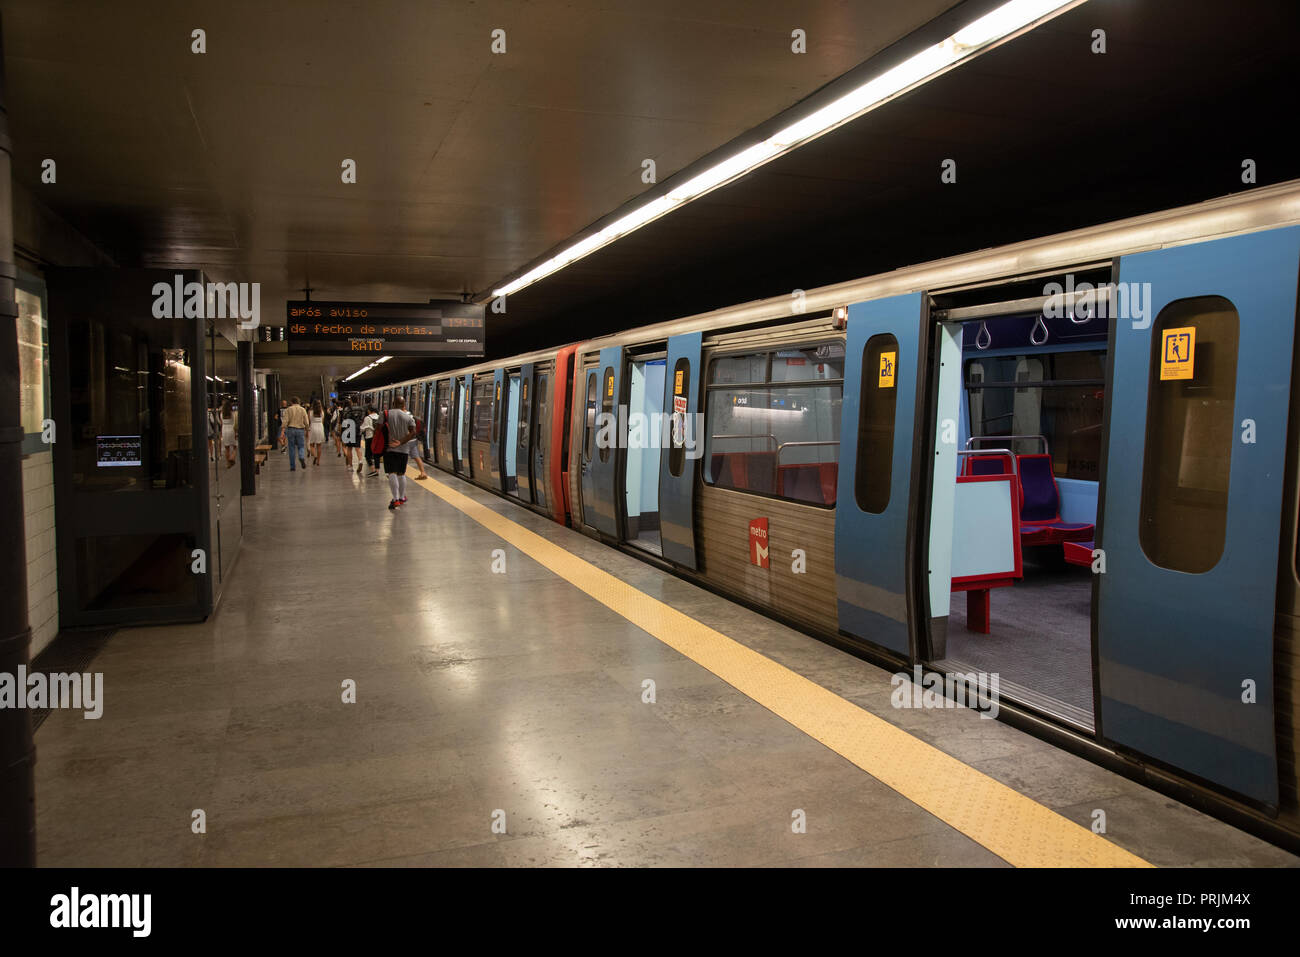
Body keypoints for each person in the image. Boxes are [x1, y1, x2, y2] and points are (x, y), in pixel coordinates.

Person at [383, 396, 418, 509]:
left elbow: (378, 429)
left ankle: (395, 499)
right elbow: (413, 432)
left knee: (392, 472)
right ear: (404, 405)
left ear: (393, 404)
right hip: (404, 449)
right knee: (401, 473)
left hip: (389, 448)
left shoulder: (385, 414)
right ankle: (402, 497)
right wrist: (401, 442)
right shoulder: (408, 417)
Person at [282, 396, 309, 471]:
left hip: (290, 429)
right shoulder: (303, 409)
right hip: (300, 430)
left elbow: (285, 421)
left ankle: (292, 466)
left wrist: (283, 429)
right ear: (299, 402)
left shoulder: (288, 409)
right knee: (301, 446)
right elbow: (306, 421)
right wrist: (307, 428)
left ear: (291, 402)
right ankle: (301, 457)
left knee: (291, 448)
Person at [342, 398, 364, 473]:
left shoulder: (348, 409)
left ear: (351, 401)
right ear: (357, 401)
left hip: (350, 429)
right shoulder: (361, 409)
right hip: (358, 429)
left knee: (349, 448)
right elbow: (362, 419)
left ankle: (350, 466)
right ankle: (360, 461)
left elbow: (344, 418)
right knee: (357, 448)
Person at [361, 405, 381, 476]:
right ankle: (377, 470)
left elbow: (362, 428)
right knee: (376, 454)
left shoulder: (367, 418)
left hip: (369, 438)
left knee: (367, 455)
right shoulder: (379, 417)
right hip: (377, 438)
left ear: (369, 410)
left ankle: (373, 470)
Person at [220, 398, 238, 469]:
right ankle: (232, 458)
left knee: (226, 448)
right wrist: (236, 433)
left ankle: (228, 463)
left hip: (224, 429)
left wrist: (221, 433)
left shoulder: (221, 414)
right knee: (235, 446)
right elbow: (234, 423)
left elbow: (221, 423)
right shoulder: (232, 413)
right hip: (231, 430)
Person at [308, 399, 326, 466]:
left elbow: (309, 421)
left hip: (313, 427)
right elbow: (322, 421)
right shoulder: (322, 412)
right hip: (320, 427)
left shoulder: (310, 412)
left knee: (311, 445)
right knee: (319, 446)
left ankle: (315, 456)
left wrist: (307, 430)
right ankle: (318, 461)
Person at [411, 412, 429, 481]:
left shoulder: (403, 416)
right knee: (417, 457)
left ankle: (395, 472)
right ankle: (423, 472)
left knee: (401, 456)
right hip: (413, 440)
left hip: (406, 440)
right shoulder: (410, 415)